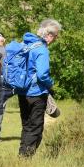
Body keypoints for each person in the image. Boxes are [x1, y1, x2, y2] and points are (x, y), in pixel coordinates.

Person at [17, 19, 61, 157]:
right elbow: (42, 74)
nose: (55, 39)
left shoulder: (25, 44)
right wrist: (50, 83)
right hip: (36, 93)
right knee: (36, 127)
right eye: (56, 36)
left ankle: (22, 154)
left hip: (22, 90)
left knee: (26, 124)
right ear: (49, 35)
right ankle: (26, 157)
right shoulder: (41, 49)